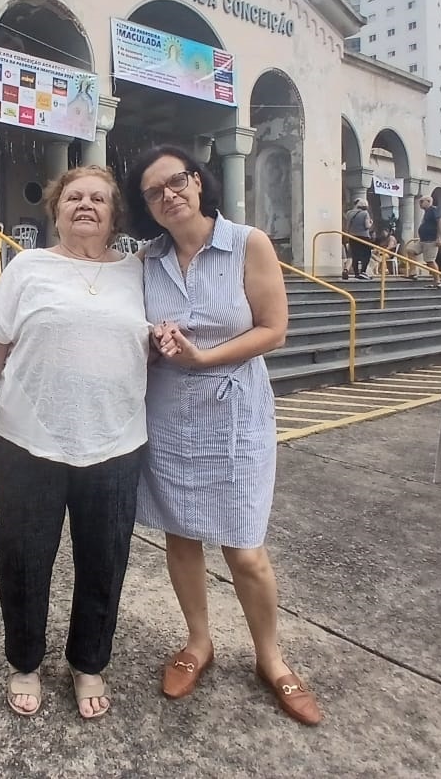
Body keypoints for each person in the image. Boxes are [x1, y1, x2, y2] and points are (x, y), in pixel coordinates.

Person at [0, 165, 148, 720]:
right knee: (24, 559)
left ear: (114, 214)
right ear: (55, 210)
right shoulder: (28, 268)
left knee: (105, 561)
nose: (85, 205)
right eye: (73, 196)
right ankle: (25, 660)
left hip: (116, 442)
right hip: (30, 443)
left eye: (98, 198)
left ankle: (89, 662)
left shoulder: (139, 273)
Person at [125, 145, 321, 727]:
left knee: (244, 547)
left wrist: (205, 357)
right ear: (147, 206)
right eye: (154, 191)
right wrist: (157, 344)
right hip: (168, 415)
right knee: (181, 537)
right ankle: (198, 643)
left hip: (235, 413)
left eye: (177, 181)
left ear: (199, 182)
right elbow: (136, 329)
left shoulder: (246, 242)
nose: (169, 195)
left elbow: (274, 329)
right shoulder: (147, 260)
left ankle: (271, 657)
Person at [405, 195, 441, 288]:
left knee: (430, 261)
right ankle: (413, 272)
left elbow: (440, 221)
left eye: (422, 201)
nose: (420, 204)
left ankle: (437, 281)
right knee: (410, 250)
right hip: (422, 240)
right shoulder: (426, 212)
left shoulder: (433, 210)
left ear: (428, 202)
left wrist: (439, 237)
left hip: (431, 240)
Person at [345, 198, 373, 280]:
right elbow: (367, 226)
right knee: (366, 254)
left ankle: (356, 273)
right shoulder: (365, 213)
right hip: (364, 237)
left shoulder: (349, 213)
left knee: (355, 255)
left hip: (352, 236)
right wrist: (371, 223)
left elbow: (347, 225)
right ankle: (363, 272)